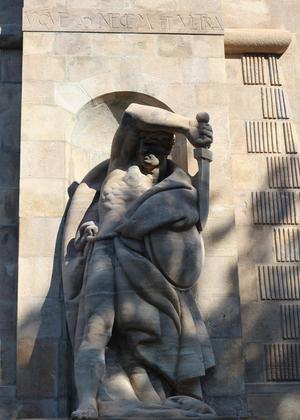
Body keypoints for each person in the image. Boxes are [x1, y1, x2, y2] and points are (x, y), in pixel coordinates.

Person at [61, 104, 215, 419]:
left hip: (148, 268)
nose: (148, 151)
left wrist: (204, 158)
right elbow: (131, 113)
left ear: (169, 152)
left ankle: (158, 395)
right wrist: (187, 125)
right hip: (106, 253)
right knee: (95, 329)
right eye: (145, 143)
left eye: (158, 146)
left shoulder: (172, 189)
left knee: (153, 335)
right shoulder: (118, 169)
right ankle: (88, 402)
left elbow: (198, 218)